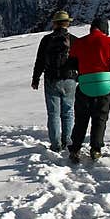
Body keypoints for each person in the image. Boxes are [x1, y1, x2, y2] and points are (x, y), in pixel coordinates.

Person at [66, 17, 110, 162]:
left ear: (91, 28)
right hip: (104, 84)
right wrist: (109, 64)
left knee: (81, 118)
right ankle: (96, 149)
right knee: (100, 117)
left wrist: (83, 66)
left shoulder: (80, 42)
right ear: (105, 29)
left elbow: (71, 63)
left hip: (85, 83)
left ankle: (75, 149)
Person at [31, 10, 78, 152]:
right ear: (67, 23)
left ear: (54, 23)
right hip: (70, 80)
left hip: (51, 79)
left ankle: (56, 144)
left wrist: (35, 78)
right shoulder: (74, 40)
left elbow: (39, 61)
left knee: (53, 113)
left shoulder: (46, 40)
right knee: (68, 111)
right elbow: (79, 61)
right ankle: (68, 140)